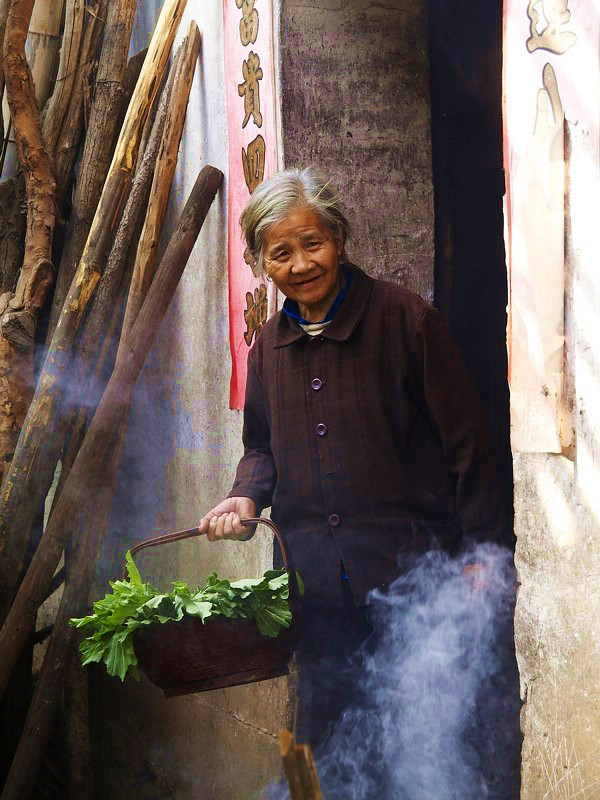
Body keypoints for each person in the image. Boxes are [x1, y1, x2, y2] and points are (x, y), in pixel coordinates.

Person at [198, 168, 507, 750]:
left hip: (414, 577)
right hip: (317, 590)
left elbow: (469, 444)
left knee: (422, 739)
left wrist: (481, 554)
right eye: (280, 252)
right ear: (262, 263)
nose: (300, 264)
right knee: (330, 742)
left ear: (338, 238)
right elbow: (261, 446)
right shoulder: (269, 346)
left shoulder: (406, 321)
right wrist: (245, 495)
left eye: (313, 244)